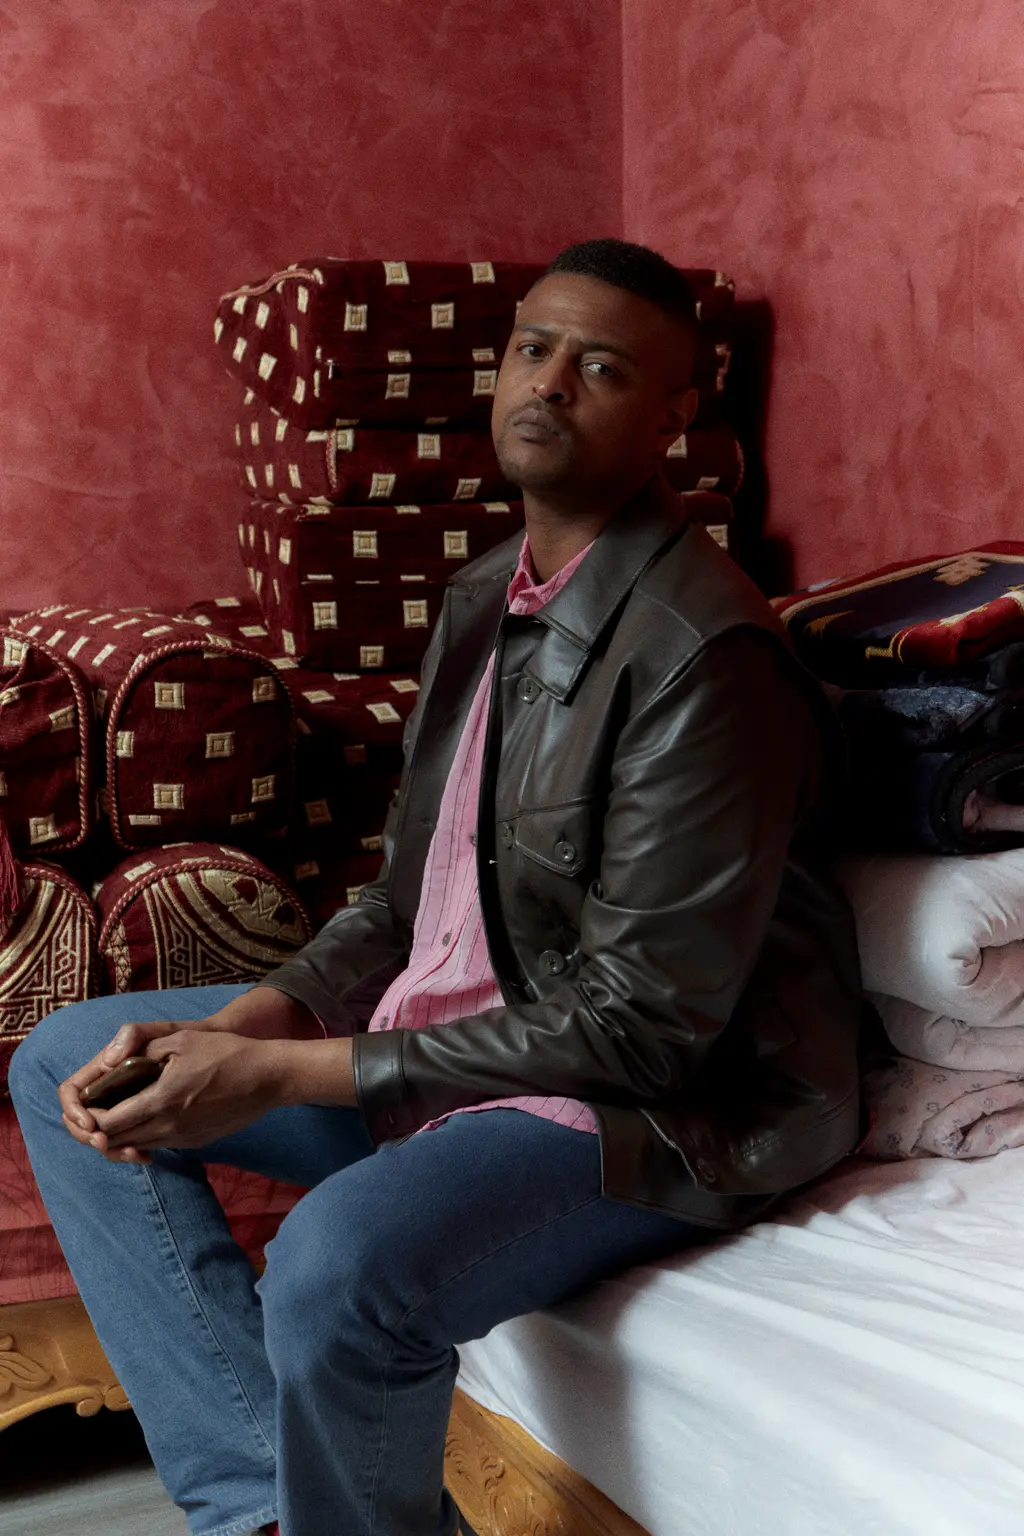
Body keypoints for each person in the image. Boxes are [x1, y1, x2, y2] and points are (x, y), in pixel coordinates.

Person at [10, 238, 863, 1536]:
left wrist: (281, 1075)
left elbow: (644, 1029)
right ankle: (263, 1508)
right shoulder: (481, 598)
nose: (551, 384)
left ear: (674, 418)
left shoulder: (708, 654)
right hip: (453, 1051)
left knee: (334, 1262)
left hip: (644, 1110)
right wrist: (243, 1026)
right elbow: (407, 907)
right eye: (534, 349)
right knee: (67, 1060)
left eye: (602, 368)